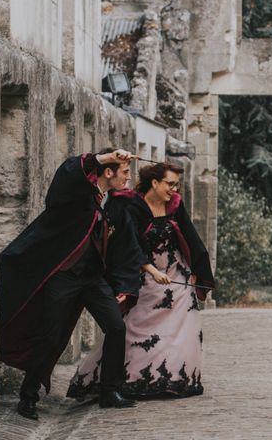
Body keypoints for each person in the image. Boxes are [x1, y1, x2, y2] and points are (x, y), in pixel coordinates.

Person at [0, 149, 144, 420]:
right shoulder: (75, 196)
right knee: (51, 336)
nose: (128, 177)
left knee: (115, 326)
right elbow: (67, 174)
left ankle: (110, 391)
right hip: (63, 277)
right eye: (124, 172)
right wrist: (106, 155)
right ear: (108, 172)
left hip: (93, 280)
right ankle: (28, 396)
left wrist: (124, 285)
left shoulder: (113, 204)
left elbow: (125, 248)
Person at [67, 162, 214, 399]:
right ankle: (131, 380)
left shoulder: (175, 205)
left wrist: (196, 269)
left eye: (176, 184)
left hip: (176, 273)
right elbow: (129, 244)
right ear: (154, 183)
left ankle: (170, 379)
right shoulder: (133, 206)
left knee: (182, 327)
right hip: (144, 274)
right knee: (137, 327)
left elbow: (189, 236)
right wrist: (151, 271)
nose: (174, 189)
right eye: (169, 183)